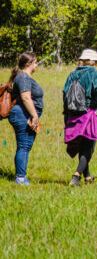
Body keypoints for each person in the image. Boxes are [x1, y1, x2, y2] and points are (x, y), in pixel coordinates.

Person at [63, 49, 97, 186]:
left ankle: (87, 177)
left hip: (72, 114)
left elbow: (65, 93)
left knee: (81, 146)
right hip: (89, 113)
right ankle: (76, 177)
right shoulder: (94, 73)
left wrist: (66, 114)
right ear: (94, 62)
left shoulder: (72, 74)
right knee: (88, 148)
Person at [8, 52, 42, 185]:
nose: (36, 65)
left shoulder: (24, 77)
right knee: (24, 145)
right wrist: (34, 115)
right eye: (35, 62)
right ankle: (20, 178)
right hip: (23, 114)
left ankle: (21, 176)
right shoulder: (23, 78)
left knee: (25, 145)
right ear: (28, 64)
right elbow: (26, 97)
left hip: (24, 114)